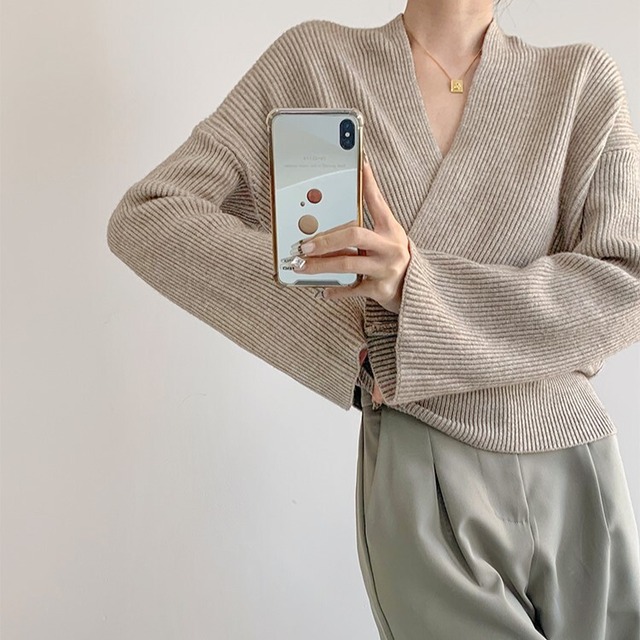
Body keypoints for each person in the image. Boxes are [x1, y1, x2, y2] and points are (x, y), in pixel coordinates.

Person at [107, 1, 640, 638]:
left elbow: (626, 283)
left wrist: (416, 288)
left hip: (572, 457)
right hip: (422, 468)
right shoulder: (315, 63)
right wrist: (361, 341)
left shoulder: (578, 79)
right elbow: (151, 216)